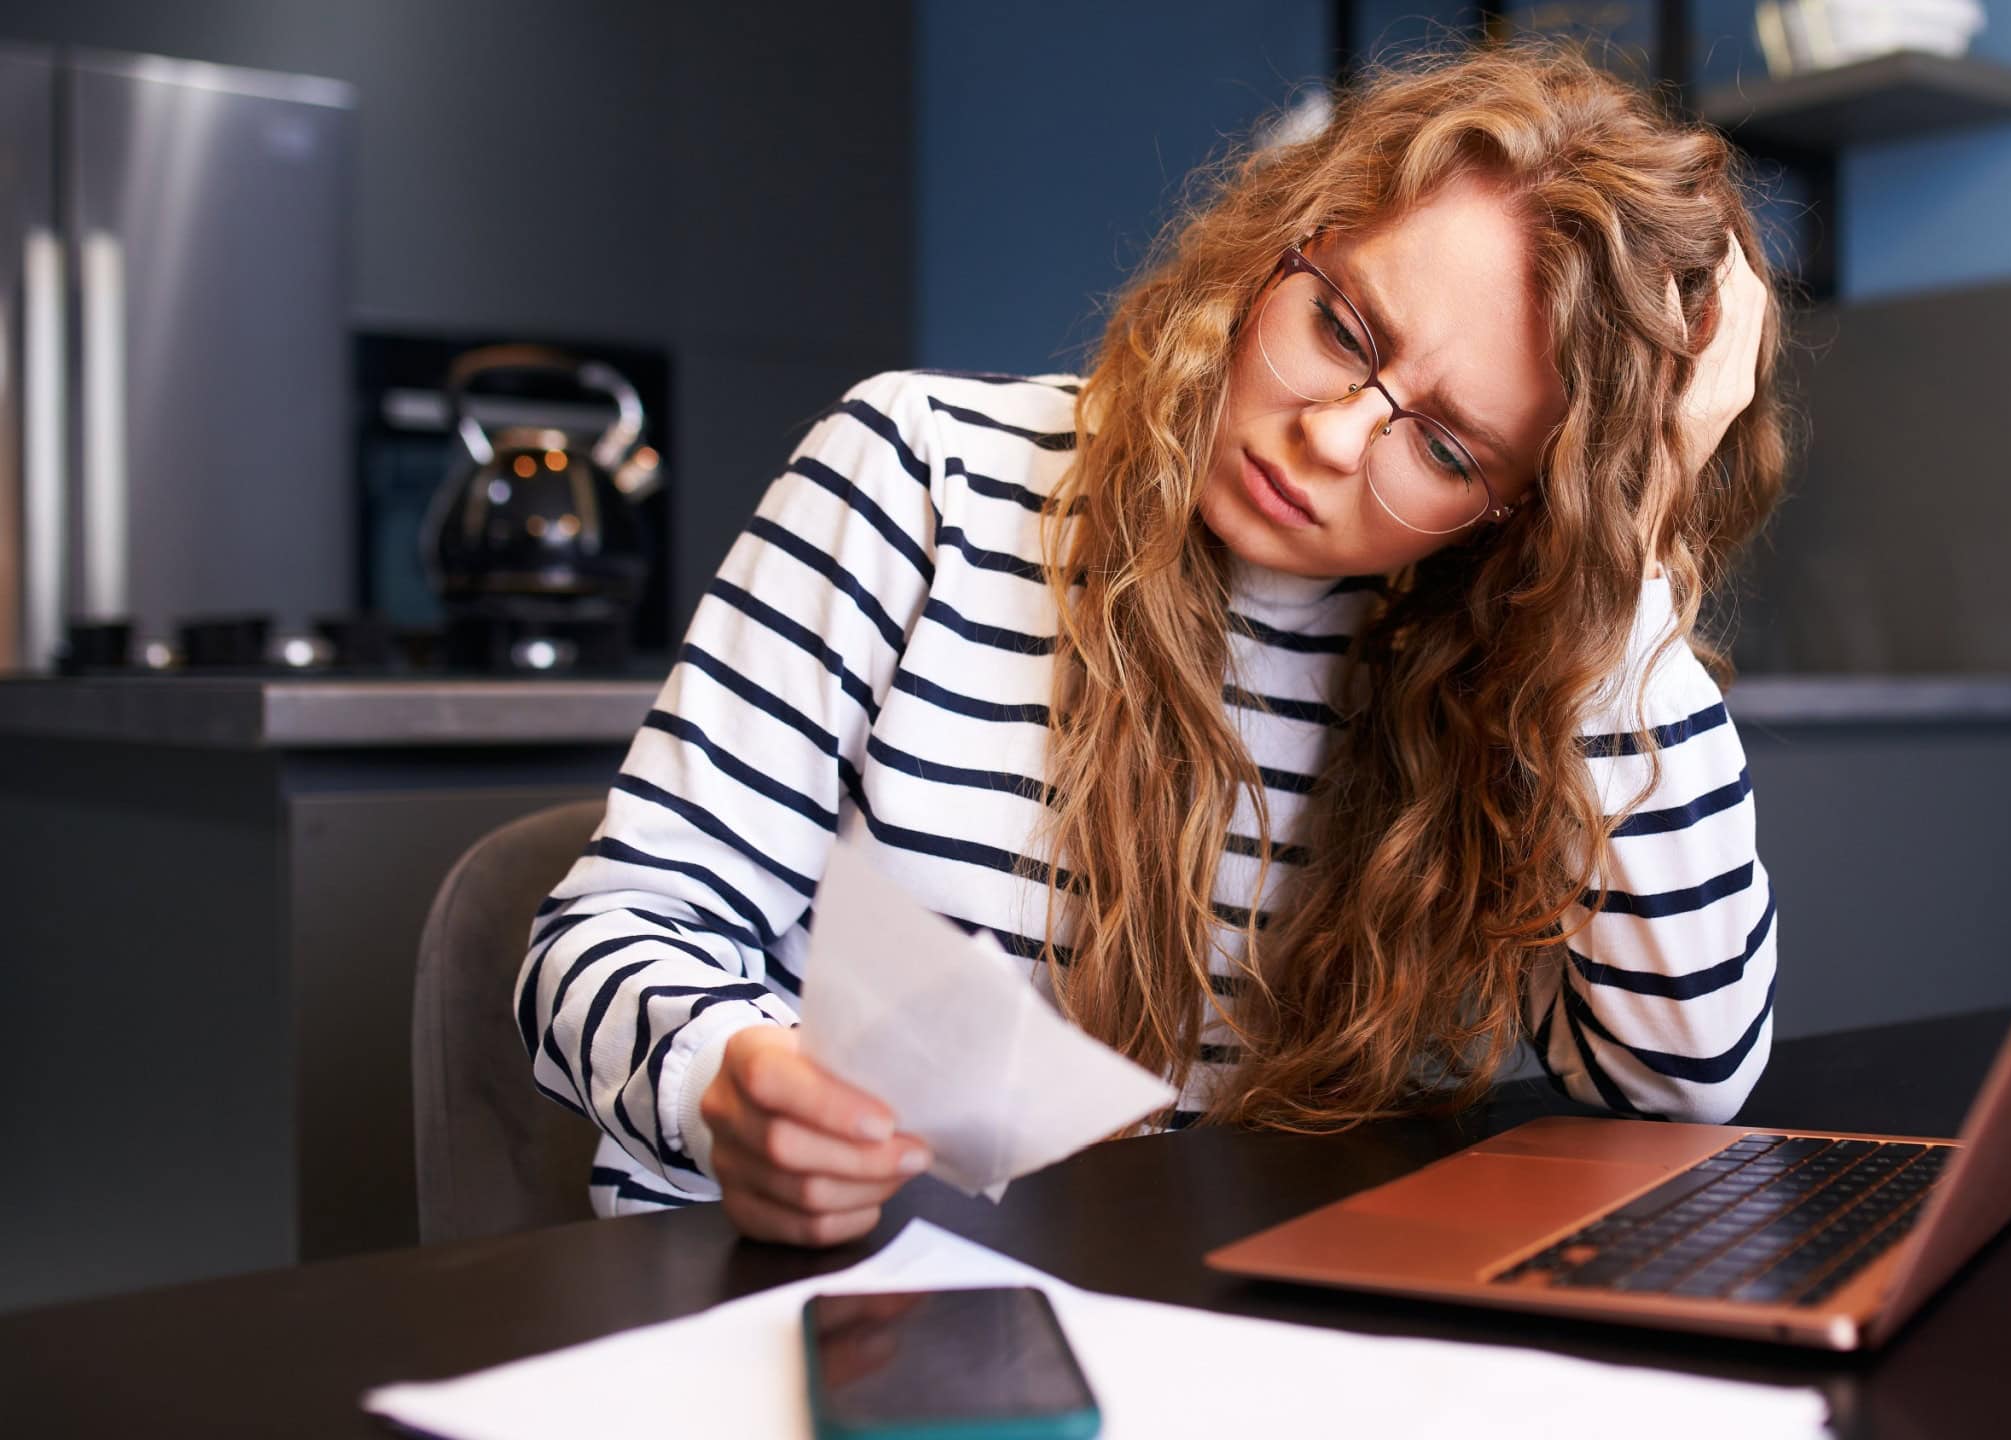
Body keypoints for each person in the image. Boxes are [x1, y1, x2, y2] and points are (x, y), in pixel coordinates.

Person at [518, 40, 1786, 1247]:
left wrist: (1617, 573)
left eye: (1446, 448)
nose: (1336, 440)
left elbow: (1682, 1088)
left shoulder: (1499, 665)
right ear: (1283, 247)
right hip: (820, 1294)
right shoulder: (920, 477)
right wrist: (726, 1081)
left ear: (1513, 513)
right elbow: (609, 936)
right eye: (1343, 331)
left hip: (1200, 1335)